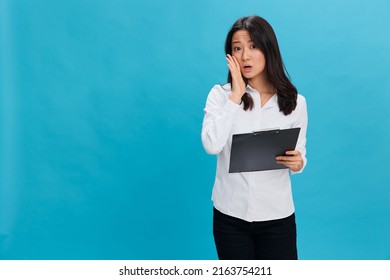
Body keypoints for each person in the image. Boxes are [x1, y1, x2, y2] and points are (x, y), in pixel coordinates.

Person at [201, 15, 308, 260]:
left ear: (268, 49)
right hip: (230, 217)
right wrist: (235, 97)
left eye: (253, 46)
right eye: (237, 48)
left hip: (277, 217)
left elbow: (300, 156)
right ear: (230, 56)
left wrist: (298, 162)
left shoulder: (295, 102)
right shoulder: (220, 96)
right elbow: (211, 145)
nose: (245, 56)